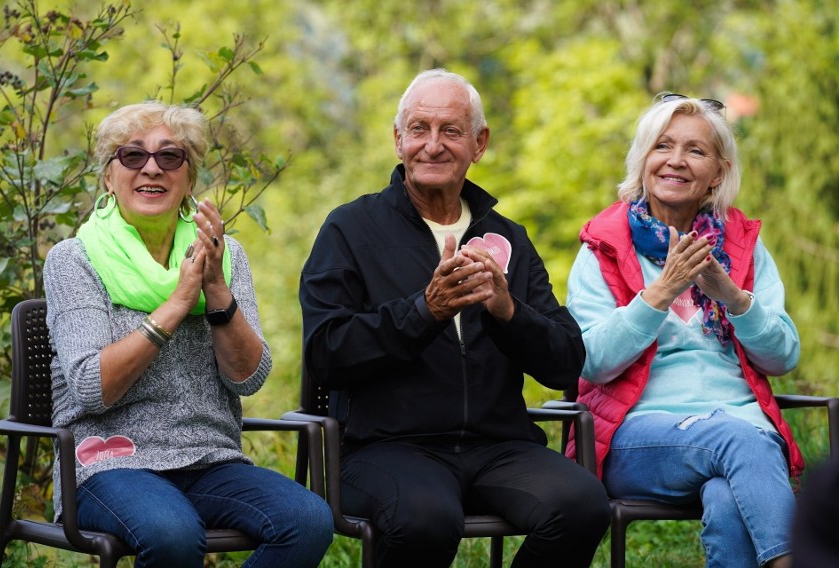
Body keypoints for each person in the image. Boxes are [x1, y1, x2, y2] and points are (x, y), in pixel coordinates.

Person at [299, 68, 610, 568]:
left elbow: (565, 362)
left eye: (451, 130)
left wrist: (509, 312)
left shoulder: (507, 235)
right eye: (419, 129)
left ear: (479, 143)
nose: (433, 145)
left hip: (498, 446)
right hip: (386, 448)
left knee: (581, 504)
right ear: (397, 140)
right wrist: (426, 311)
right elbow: (326, 352)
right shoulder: (350, 229)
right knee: (426, 518)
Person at [43, 101, 333, 567]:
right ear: (108, 177)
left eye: (170, 157)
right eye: (132, 156)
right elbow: (92, 388)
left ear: (189, 179)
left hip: (208, 458)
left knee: (308, 520)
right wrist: (178, 303)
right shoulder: (74, 260)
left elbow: (248, 378)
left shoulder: (223, 253)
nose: (151, 168)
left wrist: (215, 287)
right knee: (172, 533)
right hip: (108, 462)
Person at [565, 93, 801, 568]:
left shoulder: (743, 248)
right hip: (636, 436)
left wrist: (732, 296)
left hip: (741, 439)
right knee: (739, 439)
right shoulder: (603, 249)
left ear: (718, 171)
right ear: (644, 160)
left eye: (695, 150)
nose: (676, 160)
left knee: (729, 498)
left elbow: (783, 356)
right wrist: (661, 292)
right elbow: (590, 359)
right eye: (663, 146)